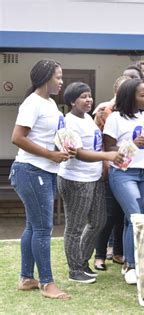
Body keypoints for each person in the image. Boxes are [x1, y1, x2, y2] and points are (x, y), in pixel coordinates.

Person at [10, 59, 71, 300]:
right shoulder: (32, 103)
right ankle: (47, 284)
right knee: (43, 228)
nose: (61, 81)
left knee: (33, 226)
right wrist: (51, 155)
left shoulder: (51, 103)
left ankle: (26, 278)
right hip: (31, 170)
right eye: (58, 77)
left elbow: (47, 136)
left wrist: (64, 149)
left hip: (42, 171)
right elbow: (17, 137)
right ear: (45, 77)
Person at [58, 82, 123, 284]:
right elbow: (77, 153)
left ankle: (82, 262)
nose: (89, 100)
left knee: (98, 221)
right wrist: (108, 155)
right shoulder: (68, 122)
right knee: (75, 227)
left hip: (93, 178)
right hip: (76, 179)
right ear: (71, 101)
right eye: (83, 97)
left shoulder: (87, 118)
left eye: (89, 96)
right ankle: (74, 269)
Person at [103, 78, 144, 284]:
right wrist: (131, 144)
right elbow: (108, 148)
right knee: (136, 217)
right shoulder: (115, 118)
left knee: (133, 219)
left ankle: (131, 262)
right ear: (130, 97)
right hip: (123, 173)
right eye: (143, 95)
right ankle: (132, 265)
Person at [93, 76, 130, 271]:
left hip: (131, 170)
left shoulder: (139, 113)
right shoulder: (107, 112)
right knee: (108, 214)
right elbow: (105, 144)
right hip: (110, 168)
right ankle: (99, 255)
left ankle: (118, 252)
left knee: (122, 215)